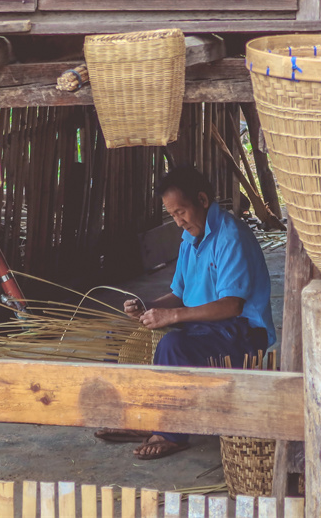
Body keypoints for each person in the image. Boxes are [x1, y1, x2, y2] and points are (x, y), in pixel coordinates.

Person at [94, 166, 275, 460]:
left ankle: (171, 433)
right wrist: (148, 309)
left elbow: (232, 305)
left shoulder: (230, 236)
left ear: (202, 200)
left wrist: (174, 317)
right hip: (204, 328)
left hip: (241, 334)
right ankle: (142, 419)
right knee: (121, 337)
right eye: (173, 215)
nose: (178, 221)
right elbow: (179, 295)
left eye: (181, 212)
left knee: (173, 344)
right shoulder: (190, 239)